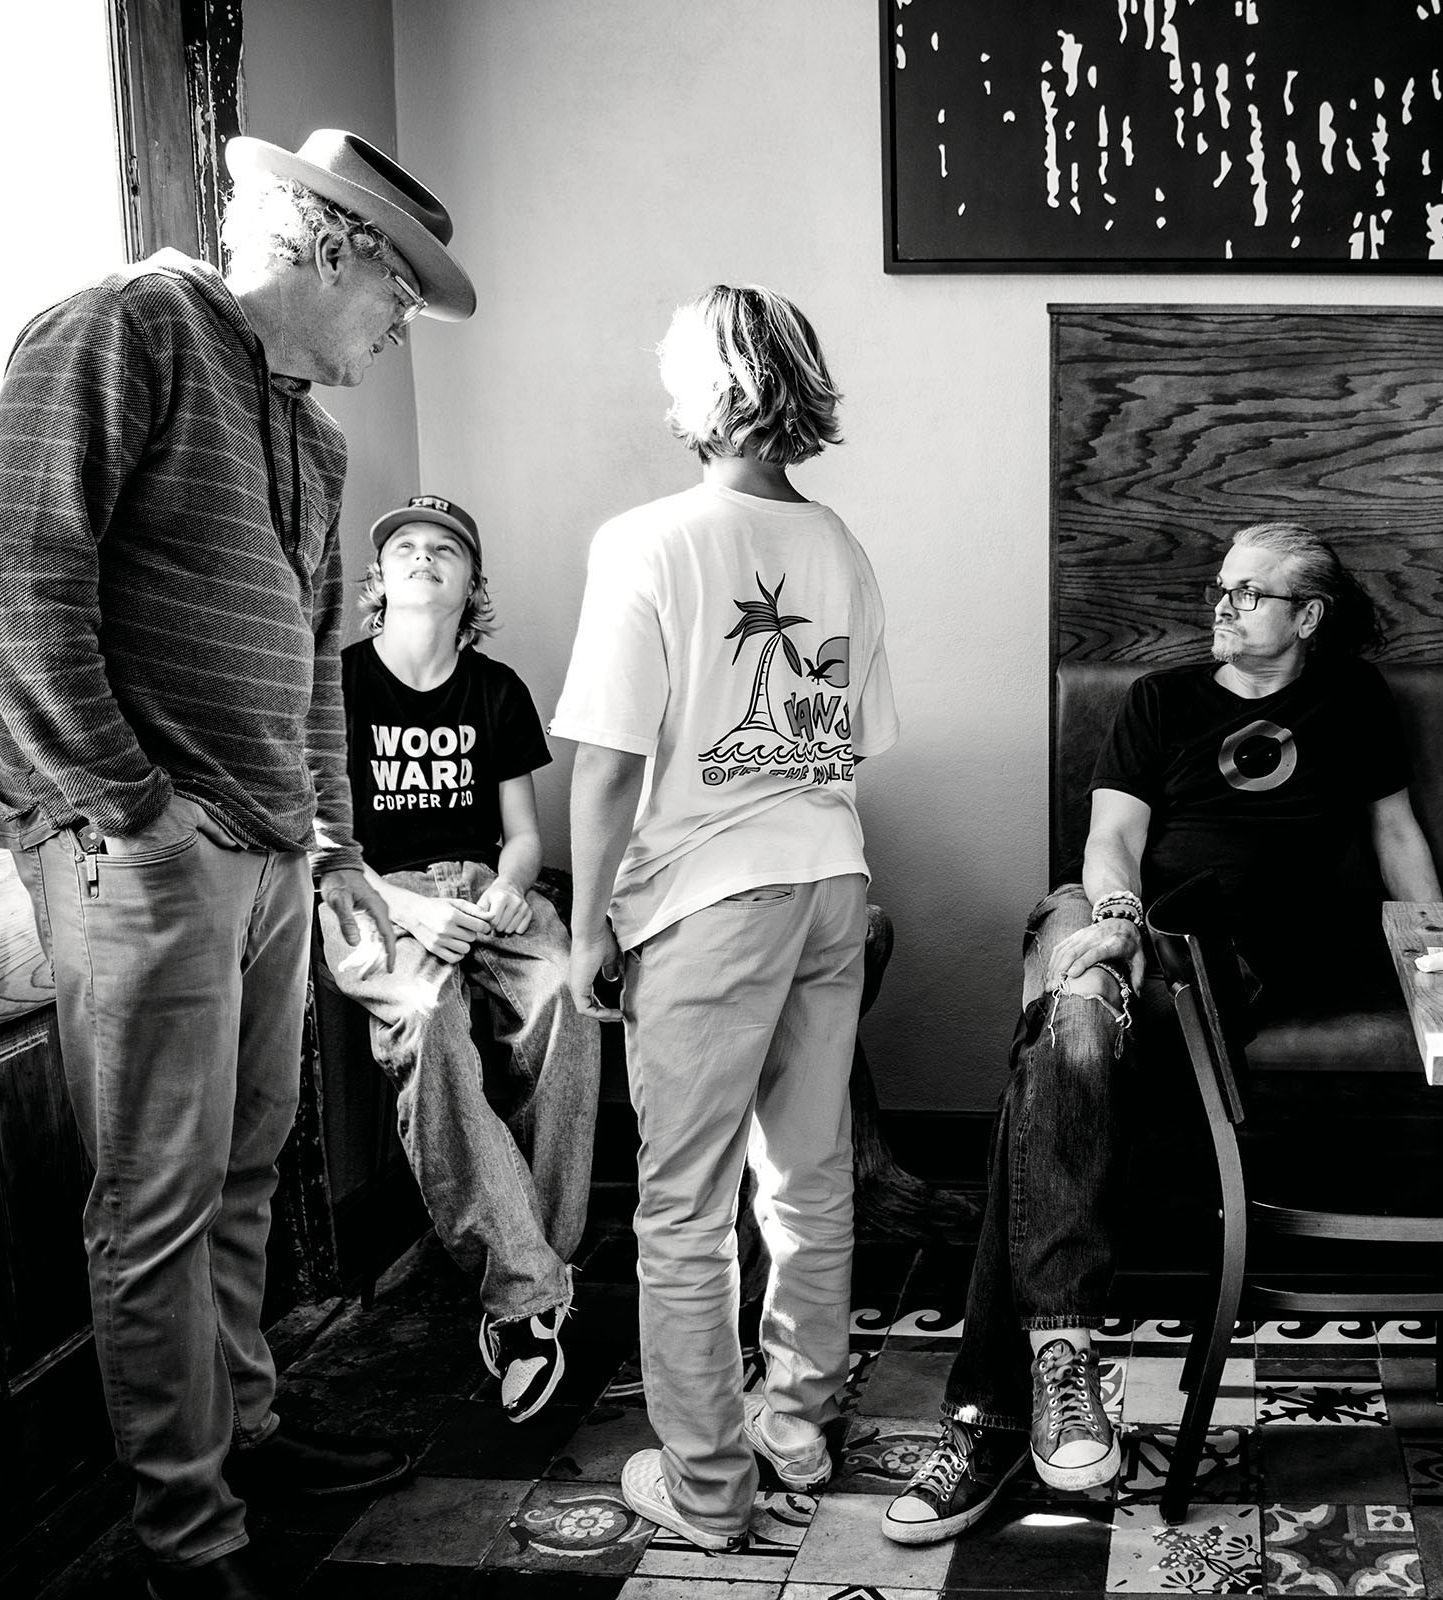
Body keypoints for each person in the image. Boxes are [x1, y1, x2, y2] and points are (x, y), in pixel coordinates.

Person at [0, 130, 474, 1600]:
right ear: (331, 245)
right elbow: (11, 571)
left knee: (247, 1170)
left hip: (260, 856)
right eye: (399, 297)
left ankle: (245, 1441)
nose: (395, 335)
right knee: (157, 1202)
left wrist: (337, 846)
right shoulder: (125, 327)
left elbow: (315, 665)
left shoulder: (306, 426)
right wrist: (134, 808)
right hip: (143, 850)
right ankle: (189, 1543)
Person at [883, 522, 1443, 1546]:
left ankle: (1000, 1408)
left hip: (1223, 954)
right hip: (1115, 912)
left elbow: (1394, 830)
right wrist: (1117, 922)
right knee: (1080, 986)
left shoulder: (1350, 700)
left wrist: (1436, 954)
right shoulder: (1157, 702)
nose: (1222, 606)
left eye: (1250, 593)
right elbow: (1111, 839)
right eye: (1220, 589)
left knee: (1065, 1044)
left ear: (1307, 616)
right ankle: (1049, 1372)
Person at [551, 285, 899, 1551]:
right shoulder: (843, 547)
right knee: (805, 1177)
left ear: (701, 390)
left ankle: (706, 1486)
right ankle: (794, 1418)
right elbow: (849, 741)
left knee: (682, 1205)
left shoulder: (647, 541)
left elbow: (603, 761)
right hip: (832, 881)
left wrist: (591, 929)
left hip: (708, 898)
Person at [318, 492, 600, 1422]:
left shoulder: (497, 689)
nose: (424, 558)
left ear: (472, 581)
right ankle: (523, 1295)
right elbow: (325, 835)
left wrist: (511, 888)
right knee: (431, 1023)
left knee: (565, 992)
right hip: (373, 896)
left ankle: (541, 1266)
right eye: (405, 547)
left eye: (446, 549)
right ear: (379, 577)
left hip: (480, 886)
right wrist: (406, 907)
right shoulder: (340, 680)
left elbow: (524, 835)